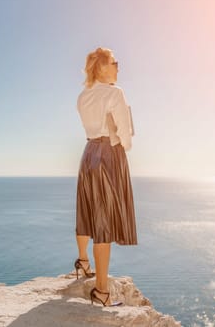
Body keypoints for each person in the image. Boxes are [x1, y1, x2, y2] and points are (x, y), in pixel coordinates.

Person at [74, 47, 137, 307]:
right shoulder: (115, 93)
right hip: (109, 155)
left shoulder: (82, 96)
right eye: (114, 62)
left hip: (88, 152)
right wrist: (125, 142)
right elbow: (125, 135)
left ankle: (83, 261)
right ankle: (101, 292)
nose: (118, 66)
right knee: (104, 223)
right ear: (102, 67)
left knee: (87, 210)